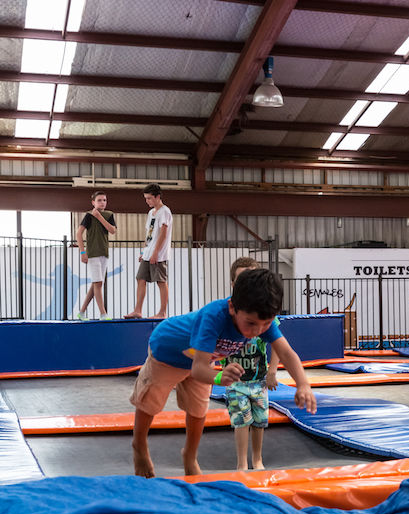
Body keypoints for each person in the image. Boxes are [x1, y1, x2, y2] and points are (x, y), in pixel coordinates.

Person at [129, 267, 317, 477]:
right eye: (251, 324)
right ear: (232, 308)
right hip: (168, 352)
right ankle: (139, 446)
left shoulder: (262, 321)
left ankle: (189, 456)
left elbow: (287, 352)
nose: (257, 331)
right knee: (150, 401)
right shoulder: (214, 316)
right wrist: (219, 376)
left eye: (265, 324)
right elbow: (199, 369)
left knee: (199, 409)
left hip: (201, 356)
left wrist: (303, 384)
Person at [220, 257, 279, 471]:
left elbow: (279, 346)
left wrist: (272, 371)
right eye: (241, 280)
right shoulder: (228, 311)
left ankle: (257, 459)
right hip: (236, 381)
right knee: (241, 420)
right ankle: (241, 463)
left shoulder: (263, 312)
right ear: (233, 284)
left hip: (258, 379)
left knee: (259, 420)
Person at [125, 183, 172, 319]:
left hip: (159, 254)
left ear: (158, 197)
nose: (147, 201)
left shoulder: (165, 211)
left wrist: (156, 252)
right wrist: (144, 252)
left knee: (161, 281)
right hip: (148, 252)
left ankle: (162, 312)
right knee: (140, 278)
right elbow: (149, 234)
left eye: (150, 198)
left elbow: (163, 233)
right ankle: (137, 310)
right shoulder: (151, 213)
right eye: (146, 198)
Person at [75, 191, 117, 320]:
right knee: (98, 283)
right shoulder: (88, 215)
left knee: (96, 284)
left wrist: (100, 217)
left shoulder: (109, 215)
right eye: (99, 200)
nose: (102, 202)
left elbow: (113, 230)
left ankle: (81, 312)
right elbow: (78, 234)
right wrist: (83, 251)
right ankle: (103, 314)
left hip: (104, 252)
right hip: (92, 253)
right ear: (93, 202)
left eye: (104, 200)